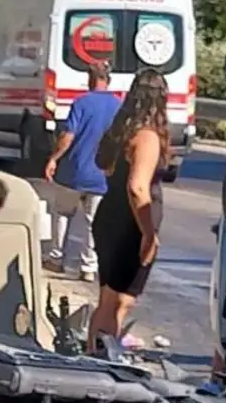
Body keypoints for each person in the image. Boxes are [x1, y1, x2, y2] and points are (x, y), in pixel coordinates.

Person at [89, 68, 169, 351]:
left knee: (109, 299)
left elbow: (103, 165)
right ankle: (101, 357)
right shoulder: (147, 137)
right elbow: (137, 188)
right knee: (119, 303)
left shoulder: (122, 131)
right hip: (128, 227)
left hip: (109, 218)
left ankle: (96, 352)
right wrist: (148, 234)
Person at [44, 61, 119, 283]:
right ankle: (89, 267)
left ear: (90, 79)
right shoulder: (118, 106)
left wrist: (54, 158)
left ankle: (56, 259)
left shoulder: (81, 103)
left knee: (63, 213)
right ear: (108, 80)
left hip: (73, 173)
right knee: (92, 222)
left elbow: (68, 137)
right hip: (102, 175)